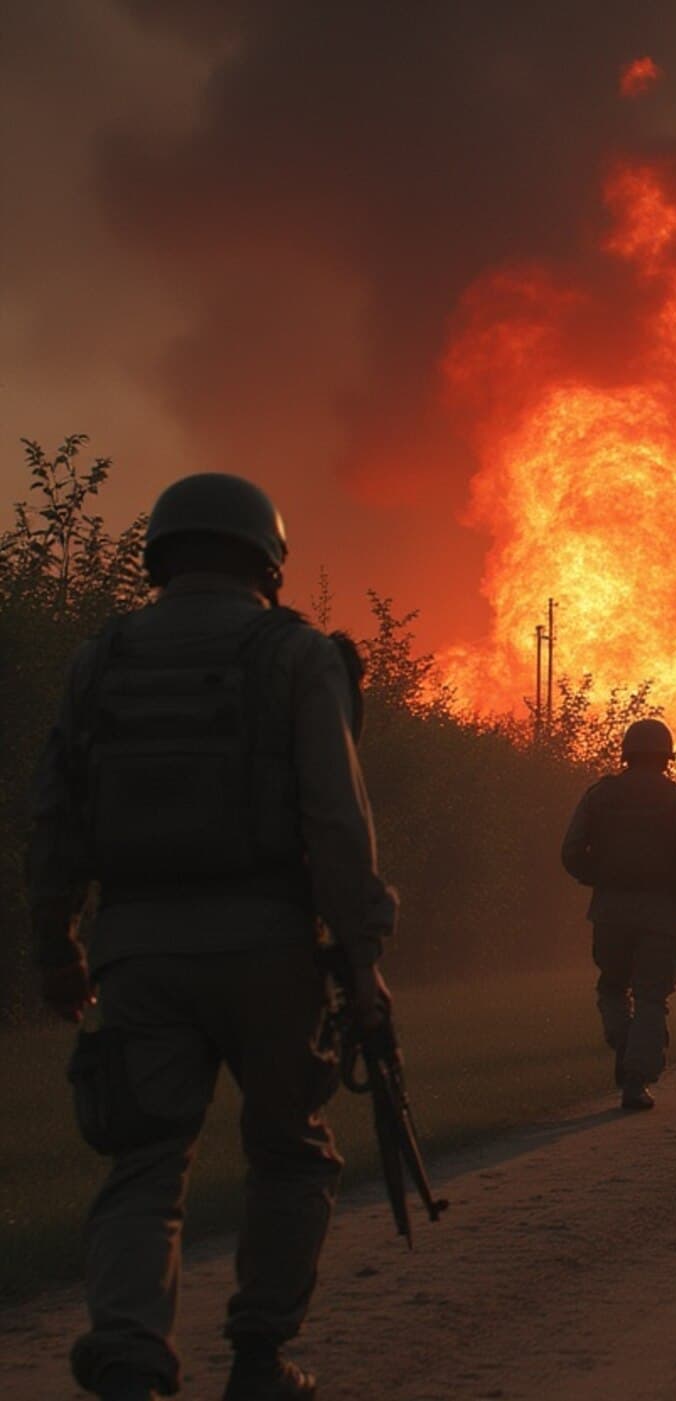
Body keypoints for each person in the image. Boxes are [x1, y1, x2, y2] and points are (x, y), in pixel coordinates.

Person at [29, 472, 397, 1401]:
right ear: (267, 560)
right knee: (289, 1149)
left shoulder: (100, 656)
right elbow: (336, 825)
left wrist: (56, 944)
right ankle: (260, 1358)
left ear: (160, 553)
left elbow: (57, 816)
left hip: (136, 952)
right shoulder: (295, 654)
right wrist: (363, 963)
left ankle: (128, 1355)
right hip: (268, 947)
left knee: (144, 1161)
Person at [560, 719, 676, 1111]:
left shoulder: (599, 796)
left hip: (610, 912)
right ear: (667, 757)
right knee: (650, 997)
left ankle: (625, 1041)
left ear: (627, 753)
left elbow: (571, 852)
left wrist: (602, 879)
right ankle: (635, 1079)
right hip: (662, 915)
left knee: (612, 987)